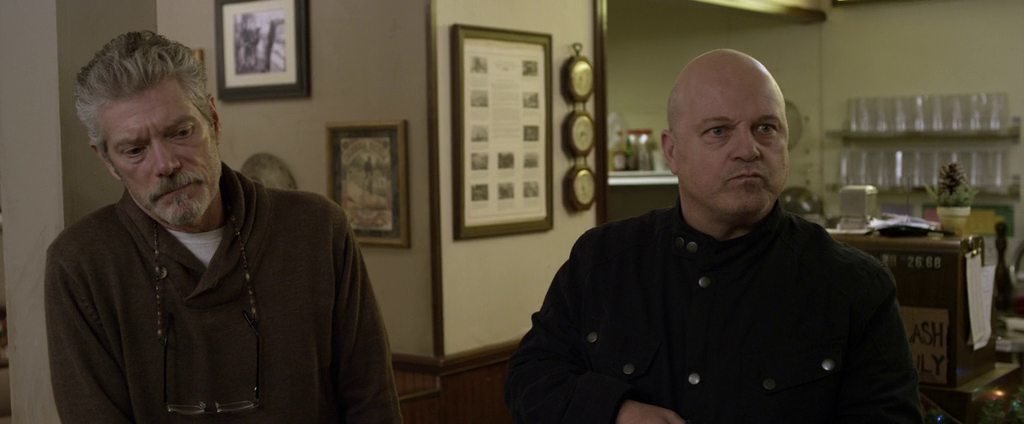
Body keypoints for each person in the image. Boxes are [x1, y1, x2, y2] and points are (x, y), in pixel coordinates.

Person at [506, 49, 921, 423]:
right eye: (719, 131)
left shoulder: (854, 287)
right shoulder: (603, 260)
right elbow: (531, 377)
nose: (748, 149)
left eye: (765, 128)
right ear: (672, 152)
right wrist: (616, 411)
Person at [45, 31, 401, 422]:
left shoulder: (316, 229)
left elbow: (373, 404)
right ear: (107, 161)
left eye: (181, 132)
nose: (165, 164)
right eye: (134, 150)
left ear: (213, 121)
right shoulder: (81, 264)